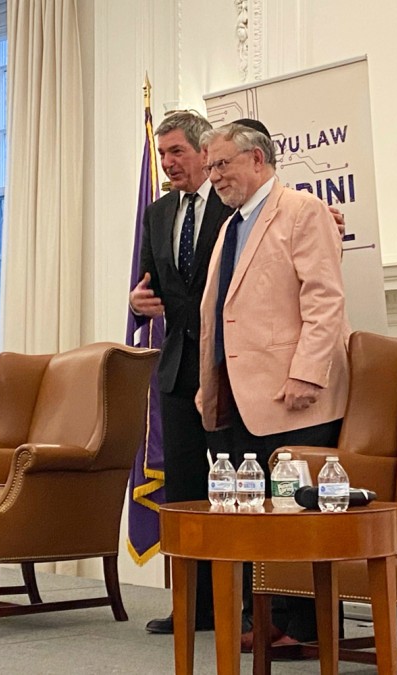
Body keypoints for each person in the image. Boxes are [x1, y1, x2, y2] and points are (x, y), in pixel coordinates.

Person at [197, 122, 350, 649]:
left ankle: (302, 629)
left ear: (257, 159)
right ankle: (264, 617)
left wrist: (308, 370)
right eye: (211, 166)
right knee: (251, 512)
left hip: (292, 392)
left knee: (293, 513)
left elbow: (325, 299)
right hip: (236, 394)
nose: (213, 176)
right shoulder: (230, 225)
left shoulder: (303, 210)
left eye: (222, 164)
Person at [130, 111, 233, 634]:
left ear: (201, 152)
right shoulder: (157, 213)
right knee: (187, 494)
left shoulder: (233, 202)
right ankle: (193, 606)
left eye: (176, 152)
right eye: (162, 152)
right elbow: (151, 287)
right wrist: (137, 300)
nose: (167, 163)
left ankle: (244, 606)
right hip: (176, 371)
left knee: (237, 491)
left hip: (230, 370)